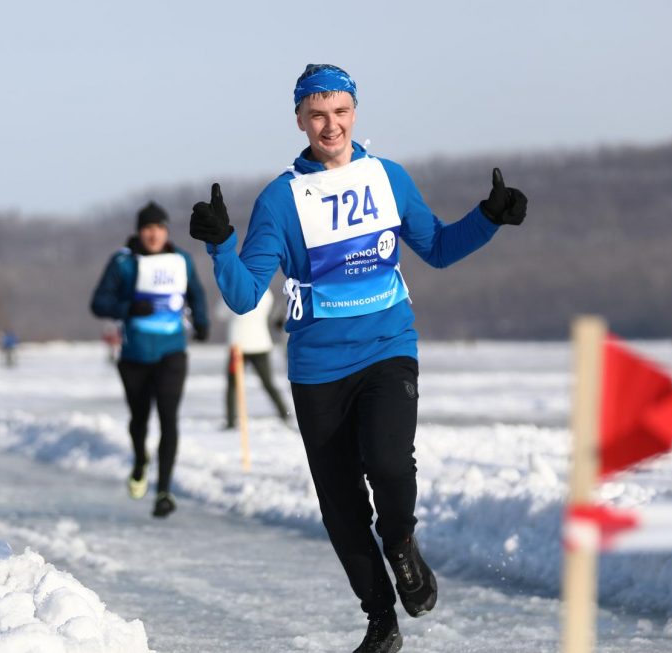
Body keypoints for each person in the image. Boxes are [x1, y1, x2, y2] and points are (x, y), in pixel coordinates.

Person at [189, 64, 528, 652]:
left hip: (387, 347)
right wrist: (220, 244)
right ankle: (381, 622)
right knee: (342, 509)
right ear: (299, 119)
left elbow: (440, 248)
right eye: (318, 114)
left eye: (341, 112)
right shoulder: (281, 199)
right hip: (318, 367)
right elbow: (244, 296)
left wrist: (489, 217)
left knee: (391, 466)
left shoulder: (387, 178)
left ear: (354, 113)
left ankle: (400, 539)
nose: (330, 125)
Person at [90, 201, 210, 518]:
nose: (153, 234)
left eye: (158, 228)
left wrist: (202, 321)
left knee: (169, 419)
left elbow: (196, 293)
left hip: (172, 352)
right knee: (140, 419)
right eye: (147, 228)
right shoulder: (123, 262)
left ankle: (164, 491)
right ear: (139, 231)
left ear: (166, 231)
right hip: (134, 355)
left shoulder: (180, 259)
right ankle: (141, 460)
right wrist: (128, 307)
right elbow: (99, 302)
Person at [220, 288, 292, 428]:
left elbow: (221, 313)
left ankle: (230, 420)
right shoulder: (265, 292)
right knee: (268, 382)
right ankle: (283, 412)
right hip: (260, 342)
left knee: (232, 385)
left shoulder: (234, 290)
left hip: (238, 345)